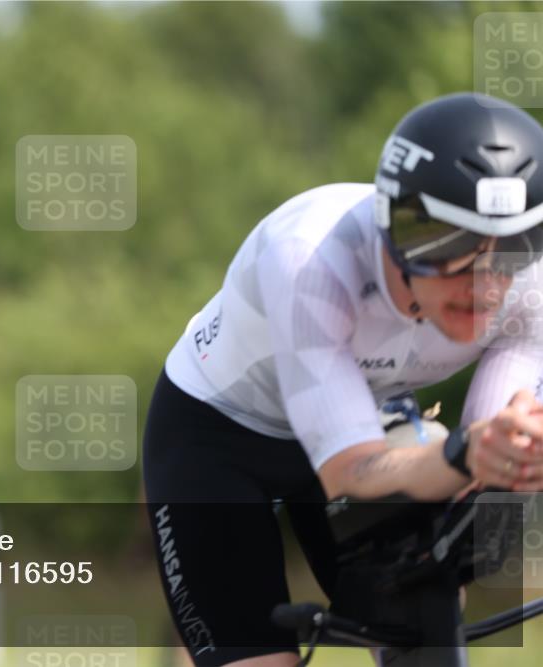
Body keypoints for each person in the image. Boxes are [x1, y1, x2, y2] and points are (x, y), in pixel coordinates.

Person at [142, 92, 543, 667]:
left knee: (424, 610)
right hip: (219, 437)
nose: (484, 283)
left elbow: (483, 463)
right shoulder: (310, 259)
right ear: (399, 230)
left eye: (514, 246)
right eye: (451, 247)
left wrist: (513, 458)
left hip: (370, 416)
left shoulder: (532, 282)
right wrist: (467, 453)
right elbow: (350, 469)